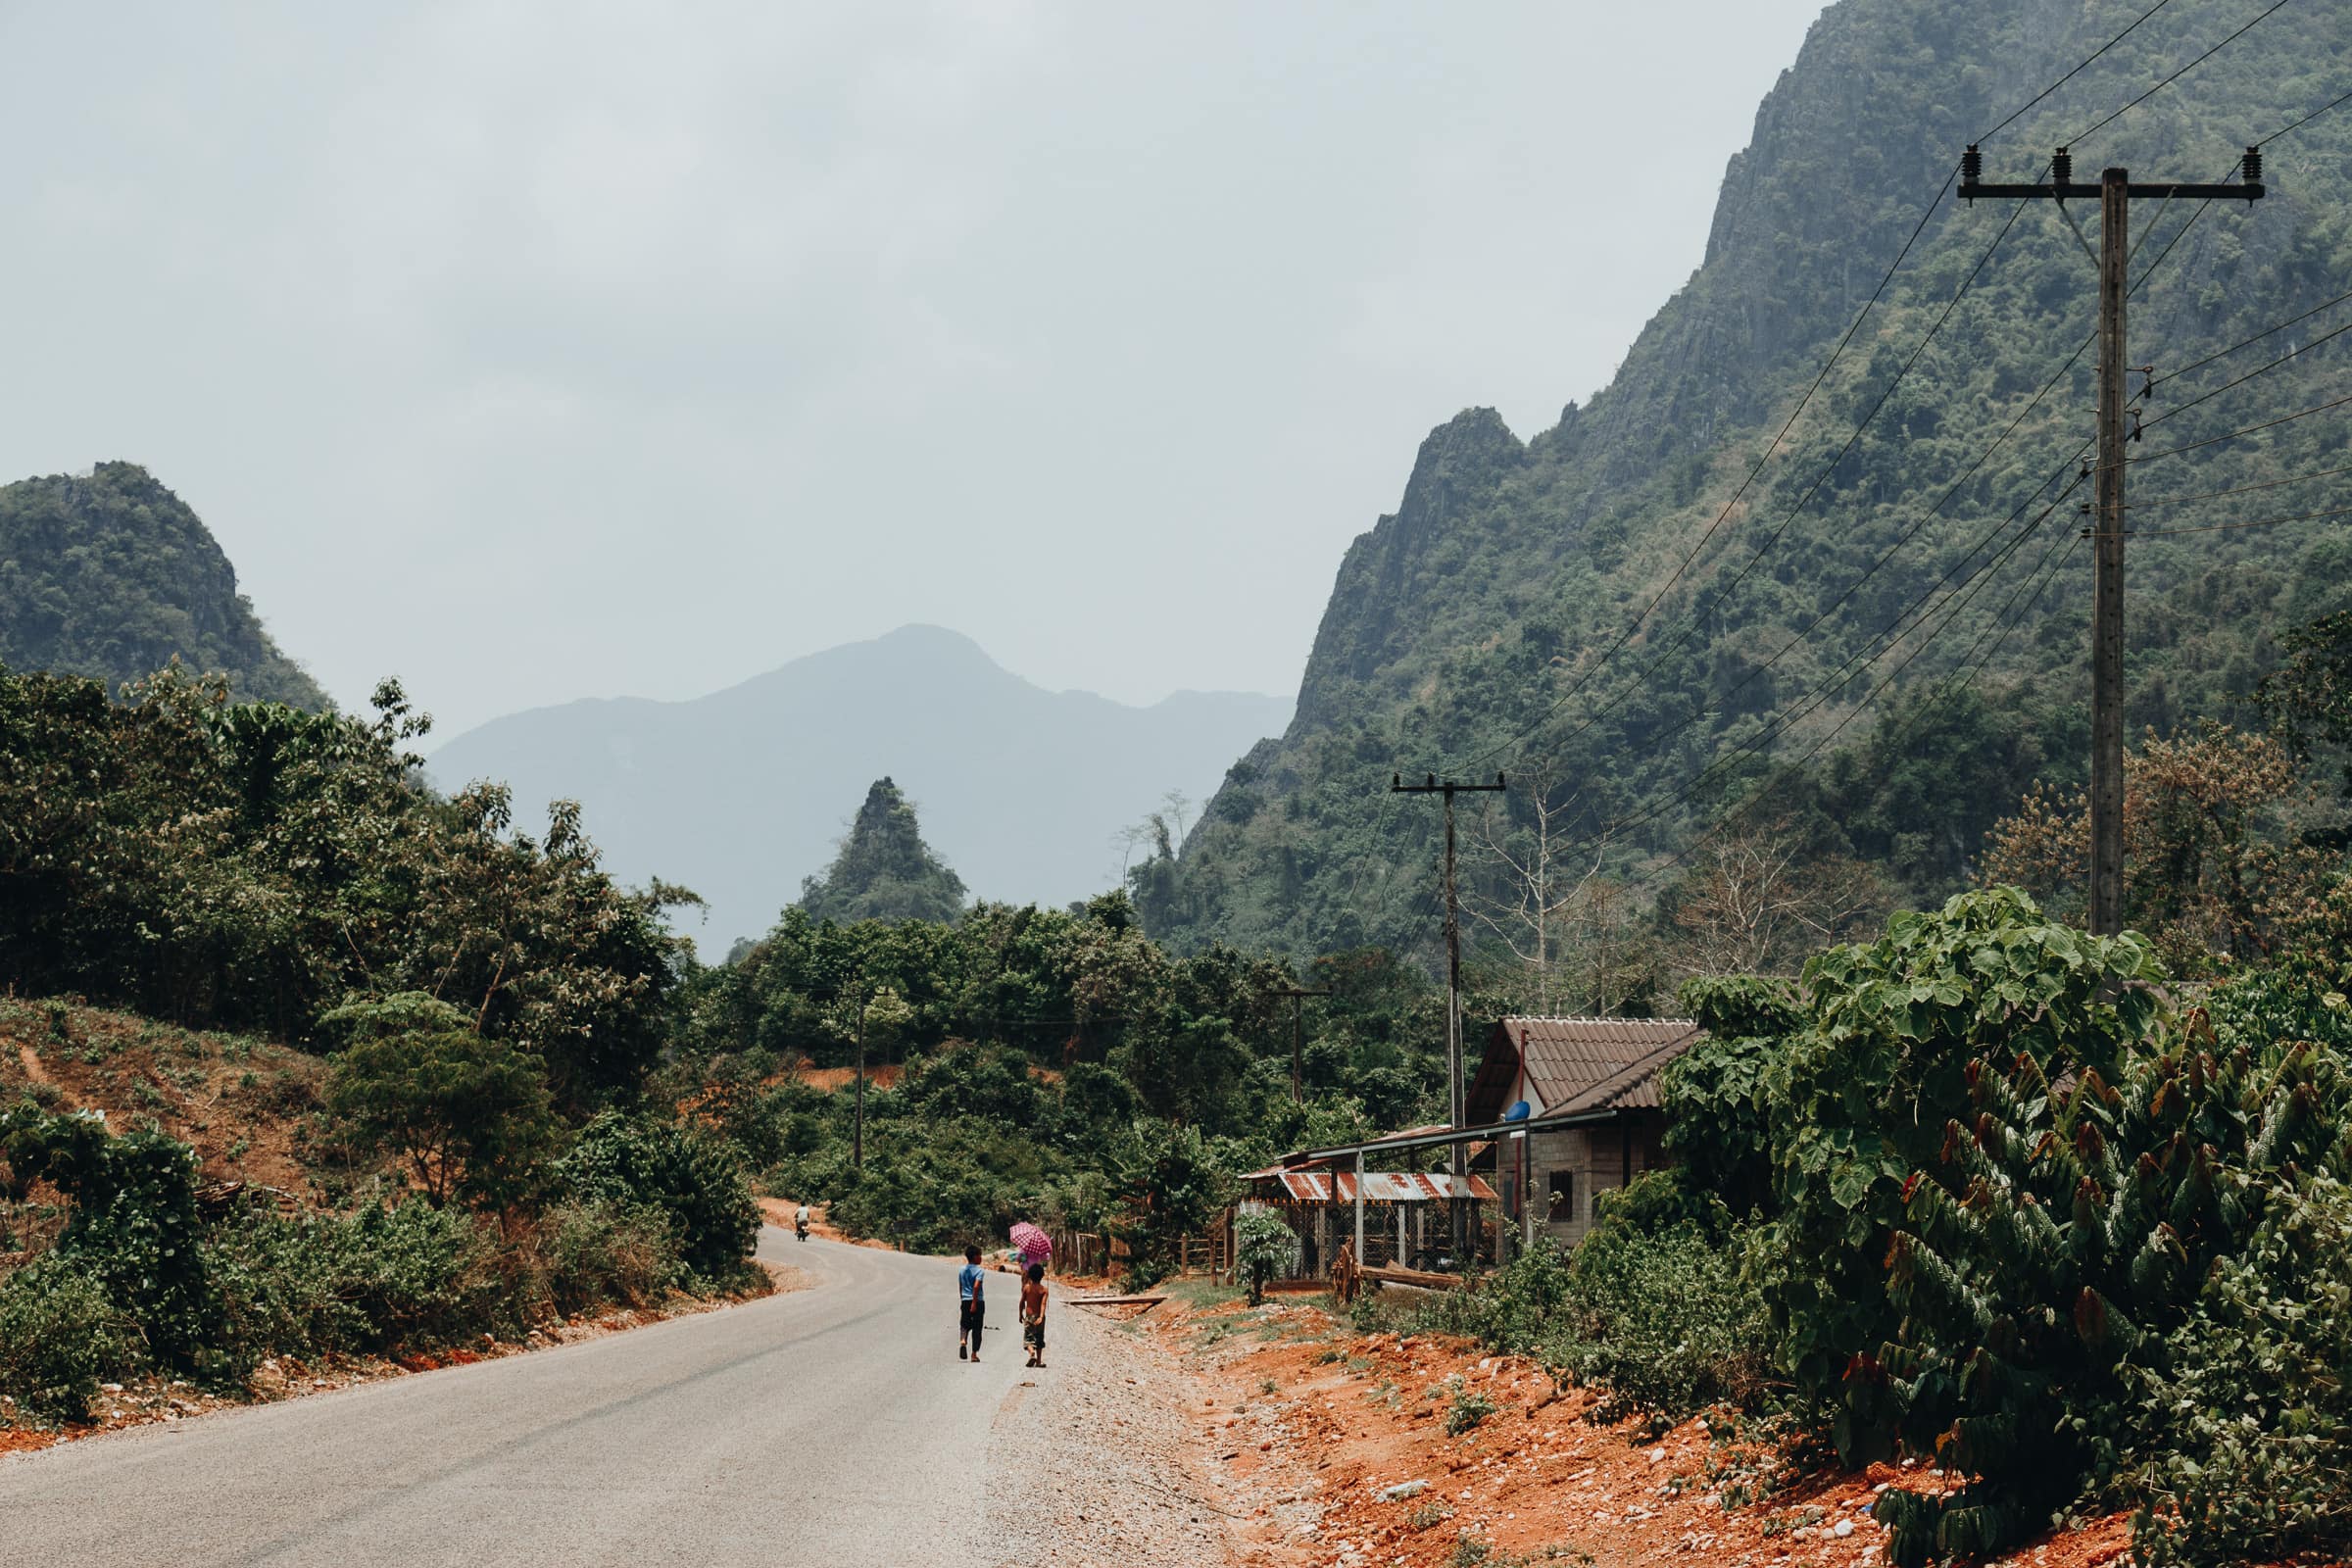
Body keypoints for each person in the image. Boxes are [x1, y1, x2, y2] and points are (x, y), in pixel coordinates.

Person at [957, 1244, 986, 1361]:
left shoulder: (962, 1270)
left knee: (964, 1323)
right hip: (977, 1301)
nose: (981, 1258)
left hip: (965, 1299)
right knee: (977, 1328)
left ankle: (963, 1340)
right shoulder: (980, 1271)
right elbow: (976, 1287)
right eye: (980, 1255)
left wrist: (963, 1298)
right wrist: (974, 1303)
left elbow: (961, 1286)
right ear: (974, 1257)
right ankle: (974, 1354)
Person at [1019, 1262, 1048, 1368]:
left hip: (1029, 1317)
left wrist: (1020, 1314)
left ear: (1030, 1275)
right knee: (1039, 1339)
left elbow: (1022, 1302)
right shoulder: (1044, 1290)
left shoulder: (1027, 1288)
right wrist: (1041, 1317)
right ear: (1042, 1276)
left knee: (1028, 1339)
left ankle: (1031, 1353)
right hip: (1040, 1318)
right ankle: (1039, 1361)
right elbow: (1043, 1304)